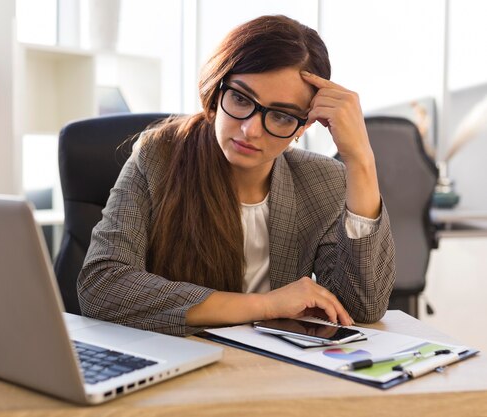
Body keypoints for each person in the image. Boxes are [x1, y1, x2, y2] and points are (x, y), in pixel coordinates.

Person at [78, 15, 396, 336]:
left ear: (304, 126)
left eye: (282, 115)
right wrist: (266, 304)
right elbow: (102, 285)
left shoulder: (321, 180)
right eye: (241, 99)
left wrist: (361, 161)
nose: (250, 129)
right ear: (217, 92)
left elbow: (362, 306)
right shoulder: (157, 154)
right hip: (182, 360)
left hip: (270, 370)